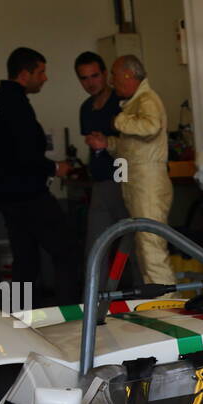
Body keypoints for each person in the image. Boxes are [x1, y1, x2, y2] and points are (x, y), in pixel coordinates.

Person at [0, 47, 82, 305]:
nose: (45, 78)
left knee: (25, 257)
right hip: (28, 194)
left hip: (4, 195)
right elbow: (25, 153)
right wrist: (56, 169)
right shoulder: (17, 104)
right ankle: (70, 315)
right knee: (67, 251)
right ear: (24, 74)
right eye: (41, 72)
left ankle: (25, 316)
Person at [84, 55, 175, 287]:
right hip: (137, 182)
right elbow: (133, 146)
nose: (112, 82)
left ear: (127, 75)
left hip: (148, 184)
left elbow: (150, 127)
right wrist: (107, 144)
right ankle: (157, 303)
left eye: (113, 75)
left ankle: (166, 304)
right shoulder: (135, 101)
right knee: (144, 247)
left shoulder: (146, 100)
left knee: (151, 246)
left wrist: (118, 121)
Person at [75, 51, 136, 277]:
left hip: (125, 181)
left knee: (135, 245)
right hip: (100, 182)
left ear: (105, 74)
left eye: (94, 76)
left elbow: (135, 143)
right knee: (96, 247)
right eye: (84, 78)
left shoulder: (122, 104)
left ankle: (149, 300)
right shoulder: (86, 108)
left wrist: (105, 144)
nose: (90, 83)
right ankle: (94, 303)